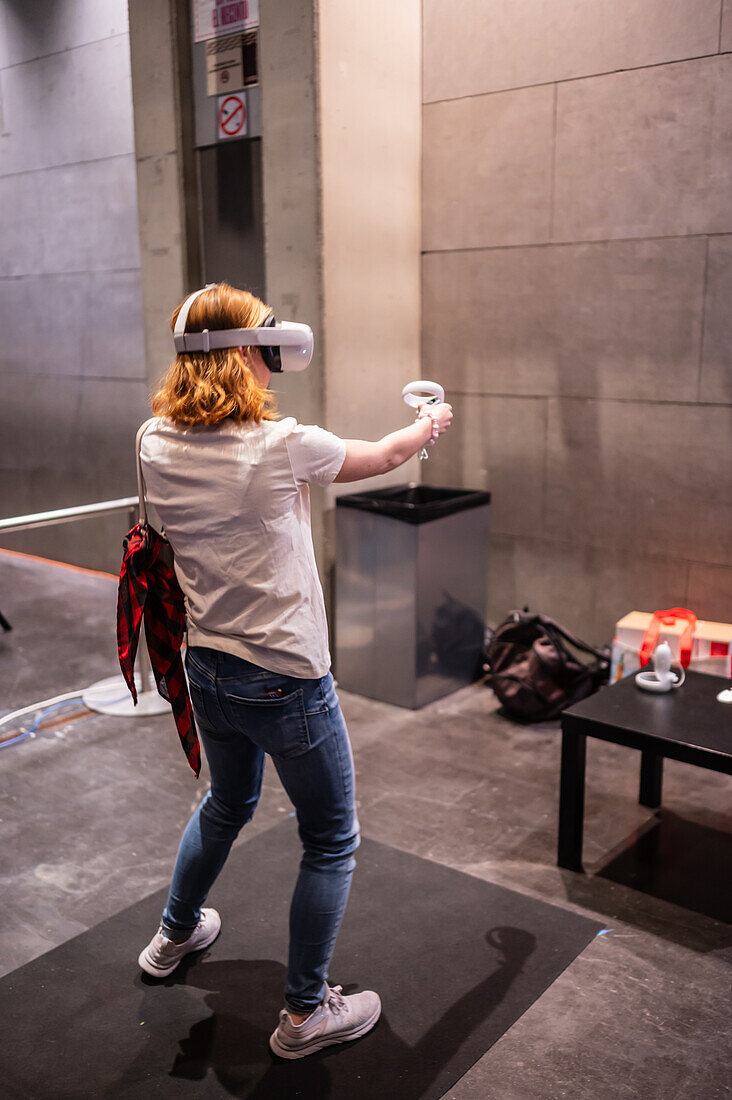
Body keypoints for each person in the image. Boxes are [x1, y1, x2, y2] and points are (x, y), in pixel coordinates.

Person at [136, 283, 453, 1059]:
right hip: (287, 679)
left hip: (208, 664)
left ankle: (172, 937)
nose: (274, 359)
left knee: (225, 805)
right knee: (331, 841)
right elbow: (380, 457)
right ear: (241, 355)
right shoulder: (283, 444)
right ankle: (306, 1015)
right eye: (262, 344)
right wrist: (428, 423)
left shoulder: (151, 439)